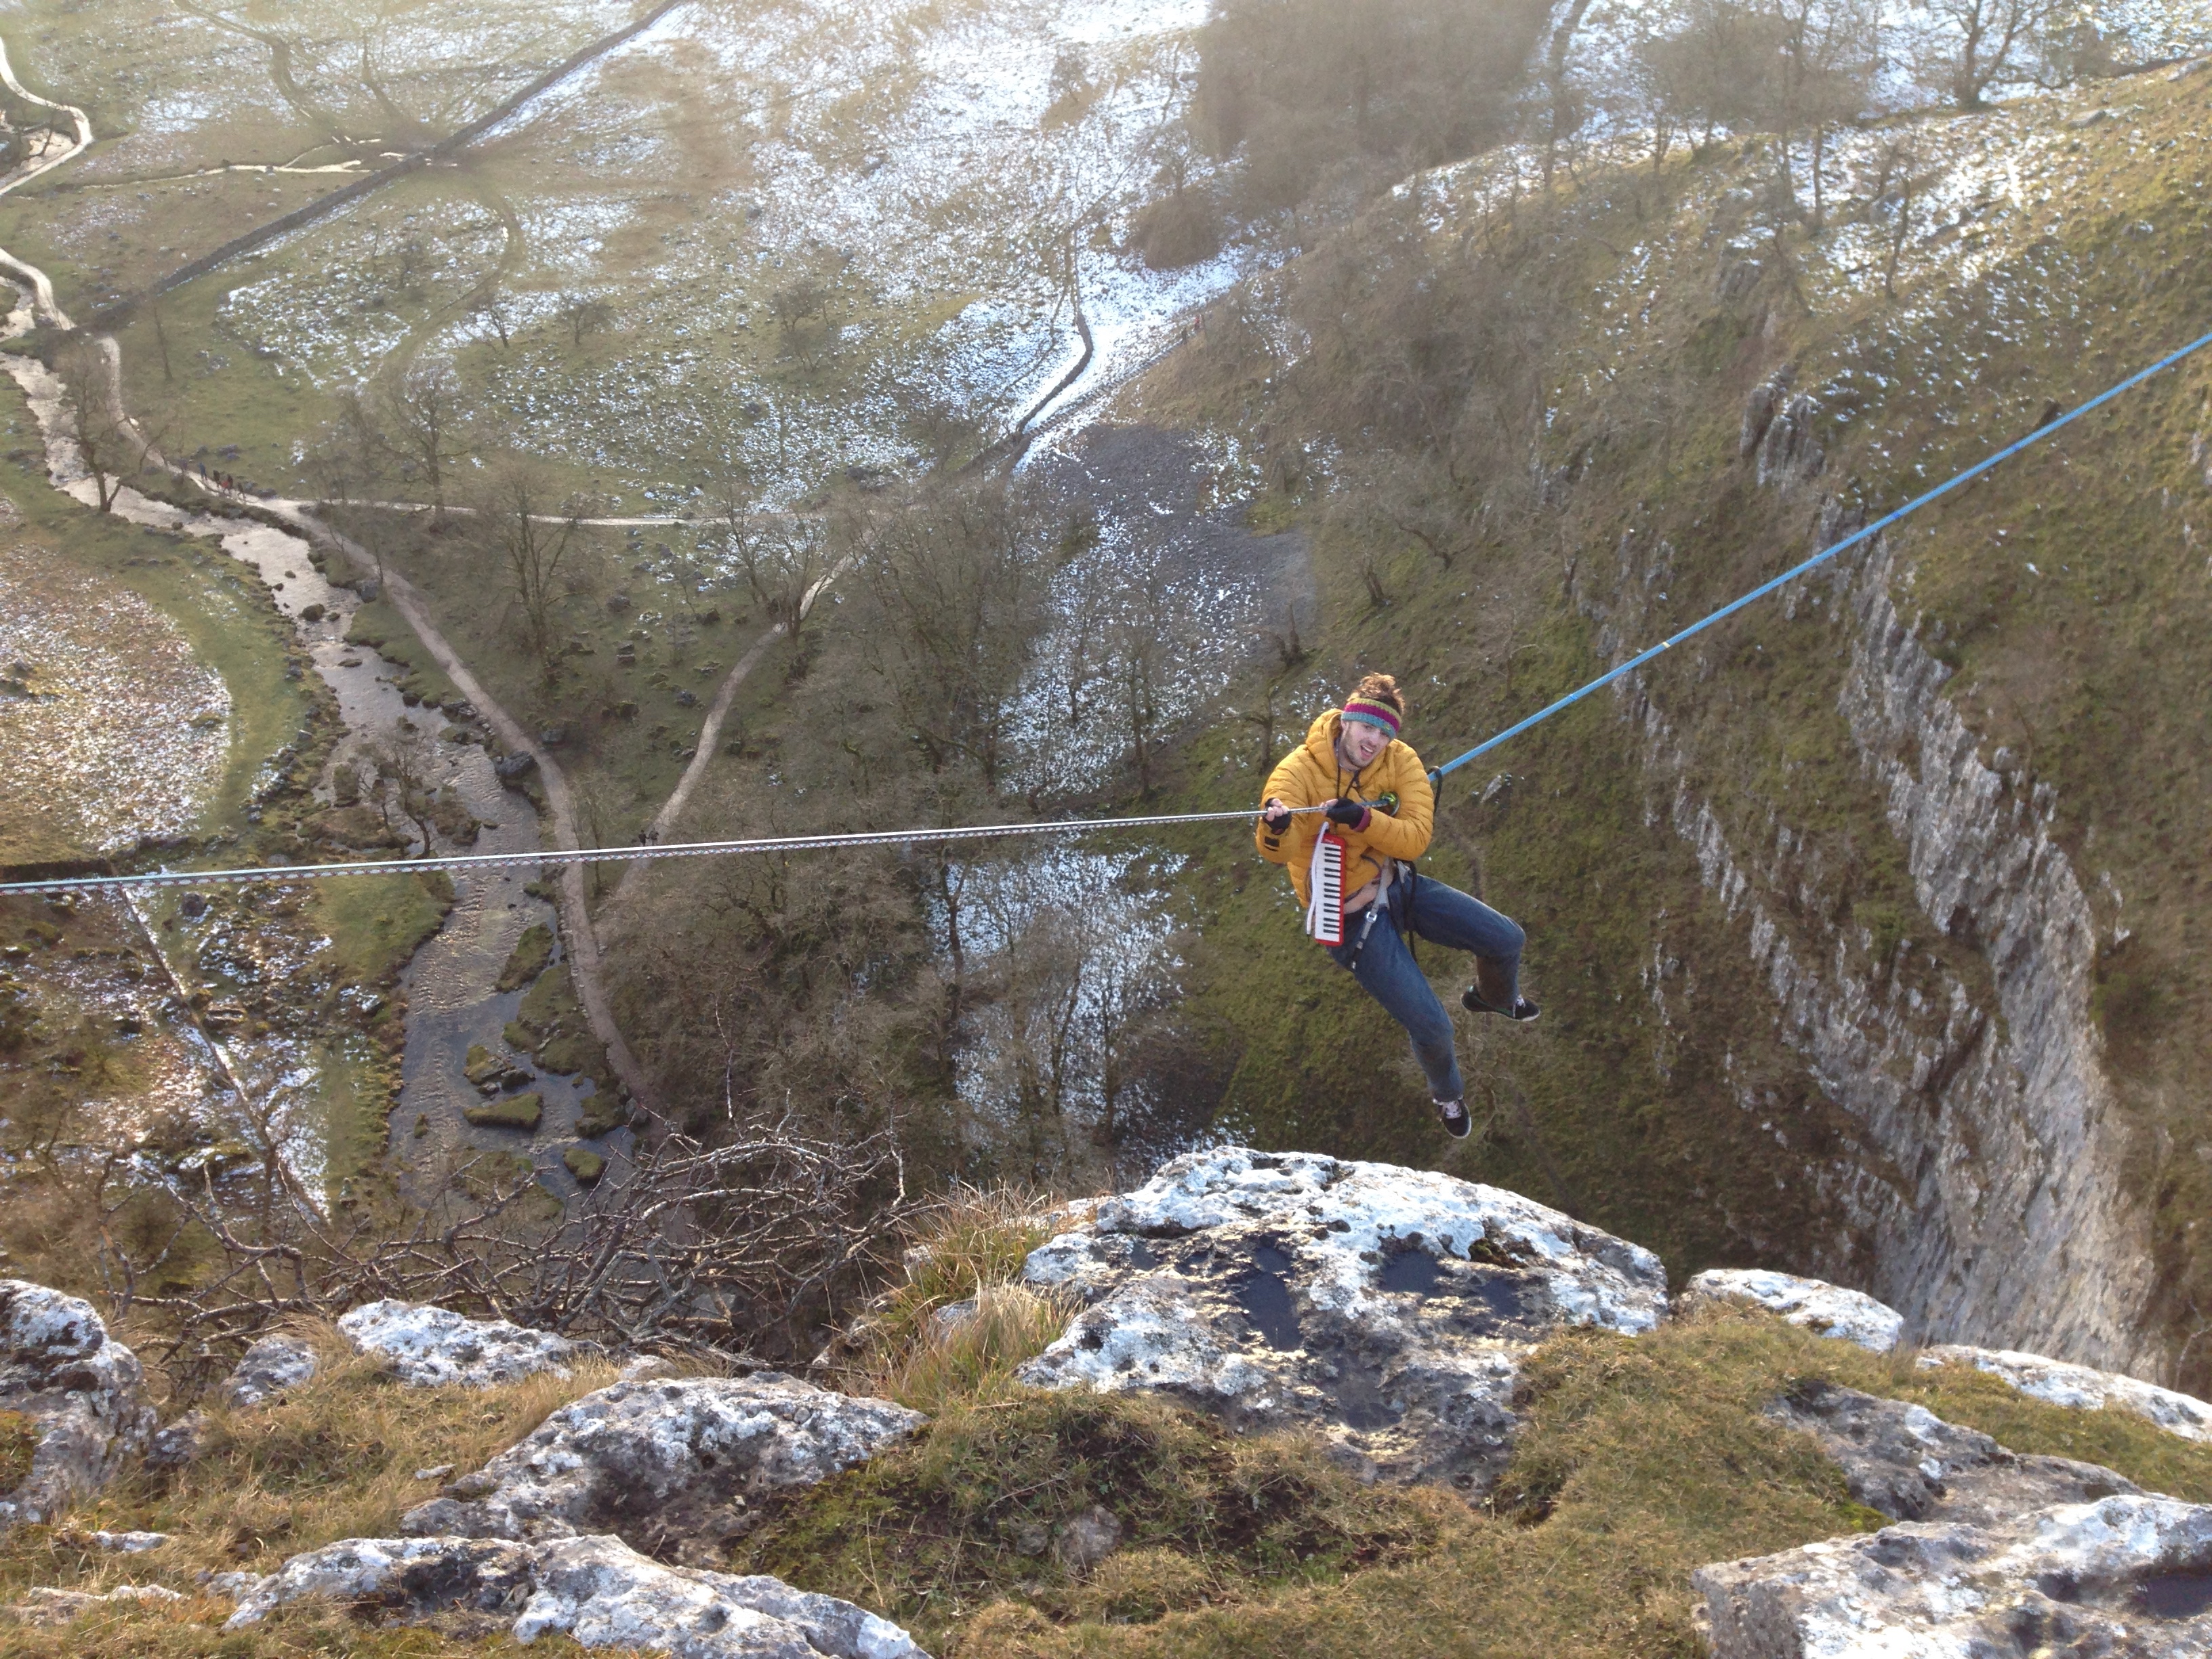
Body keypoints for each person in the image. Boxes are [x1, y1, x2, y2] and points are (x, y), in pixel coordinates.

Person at [1256, 673, 1537, 1139]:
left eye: (1385, 733)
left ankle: (1495, 999)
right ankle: (1447, 1096)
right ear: (1347, 720)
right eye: (1368, 729)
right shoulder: (1300, 770)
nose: (1375, 742)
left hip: (1396, 882)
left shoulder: (1401, 760)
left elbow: (1415, 839)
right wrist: (1278, 823)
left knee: (1507, 938)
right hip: (1349, 918)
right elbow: (1275, 852)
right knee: (1433, 1027)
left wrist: (1365, 819)